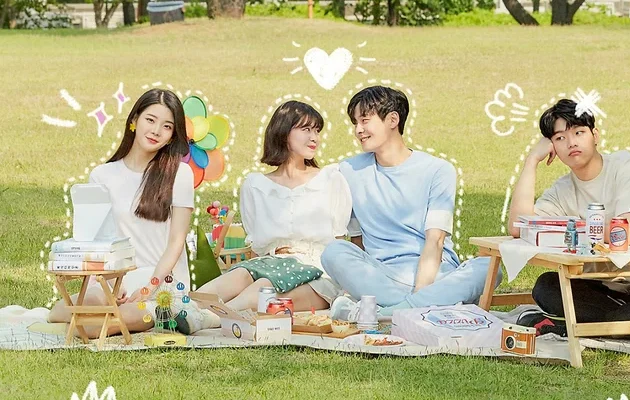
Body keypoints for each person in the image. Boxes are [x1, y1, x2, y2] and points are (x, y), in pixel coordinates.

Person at [508, 98, 630, 354]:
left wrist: (569, 228)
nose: (571, 142)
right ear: (553, 148)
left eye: (578, 133)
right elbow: (518, 227)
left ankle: (569, 328)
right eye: (560, 138)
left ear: (595, 136)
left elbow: (624, 233)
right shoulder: (562, 190)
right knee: (547, 286)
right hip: (604, 289)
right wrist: (531, 161)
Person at [320, 86, 502, 321]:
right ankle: (432, 304)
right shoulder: (349, 170)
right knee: (334, 252)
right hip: (382, 275)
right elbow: (357, 240)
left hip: (435, 272)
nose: (358, 130)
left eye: (364, 121)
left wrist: (420, 291)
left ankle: (393, 311)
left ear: (392, 119)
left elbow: (435, 240)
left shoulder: (438, 170)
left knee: (489, 268)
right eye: (355, 123)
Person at [177, 100, 352, 334]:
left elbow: (340, 243)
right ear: (283, 132)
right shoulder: (256, 185)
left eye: (317, 130)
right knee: (239, 275)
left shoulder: (330, 179)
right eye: (306, 129)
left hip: (318, 272)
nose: (314, 138)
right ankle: (180, 308)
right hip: (271, 262)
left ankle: (208, 318)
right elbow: (257, 248)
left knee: (264, 287)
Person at [48, 88, 194, 337]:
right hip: (115, 280)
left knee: (95, 327)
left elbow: (176, 243)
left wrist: (149, 288)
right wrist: (111, 282)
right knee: (63, 310)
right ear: (134, 120)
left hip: (162, 283)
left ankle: (173, 314)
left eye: (167, 126)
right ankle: (91, 312)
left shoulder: (180, 174)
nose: (156, 131)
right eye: (150, 120)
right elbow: (97, 240)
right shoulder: (102, 175)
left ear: (172, 136)